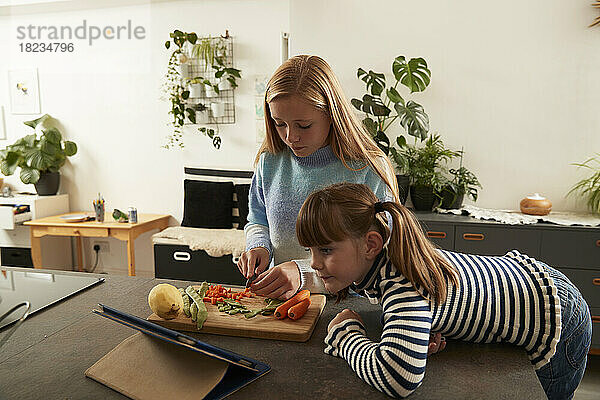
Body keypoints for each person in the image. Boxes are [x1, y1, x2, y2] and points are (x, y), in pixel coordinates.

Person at [295, 182, 592, 400]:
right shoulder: (389, 258)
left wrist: (347, 337)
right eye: (310, 249)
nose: (314, 262)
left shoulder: (403, 285)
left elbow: (399, 379)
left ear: (370, 244)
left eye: (326, 249)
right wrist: (423, 327)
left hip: (557, 315)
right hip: (531, 281)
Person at [237, 54, 399, 300]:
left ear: (332, 114)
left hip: (351, 305)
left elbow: (380, 254)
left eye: (304, 125)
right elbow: (258, 219)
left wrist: (303, 274)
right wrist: (258, 245)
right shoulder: (269, 161)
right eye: (279, 123)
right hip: (282, 301)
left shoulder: (369, 168)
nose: (291, 137)